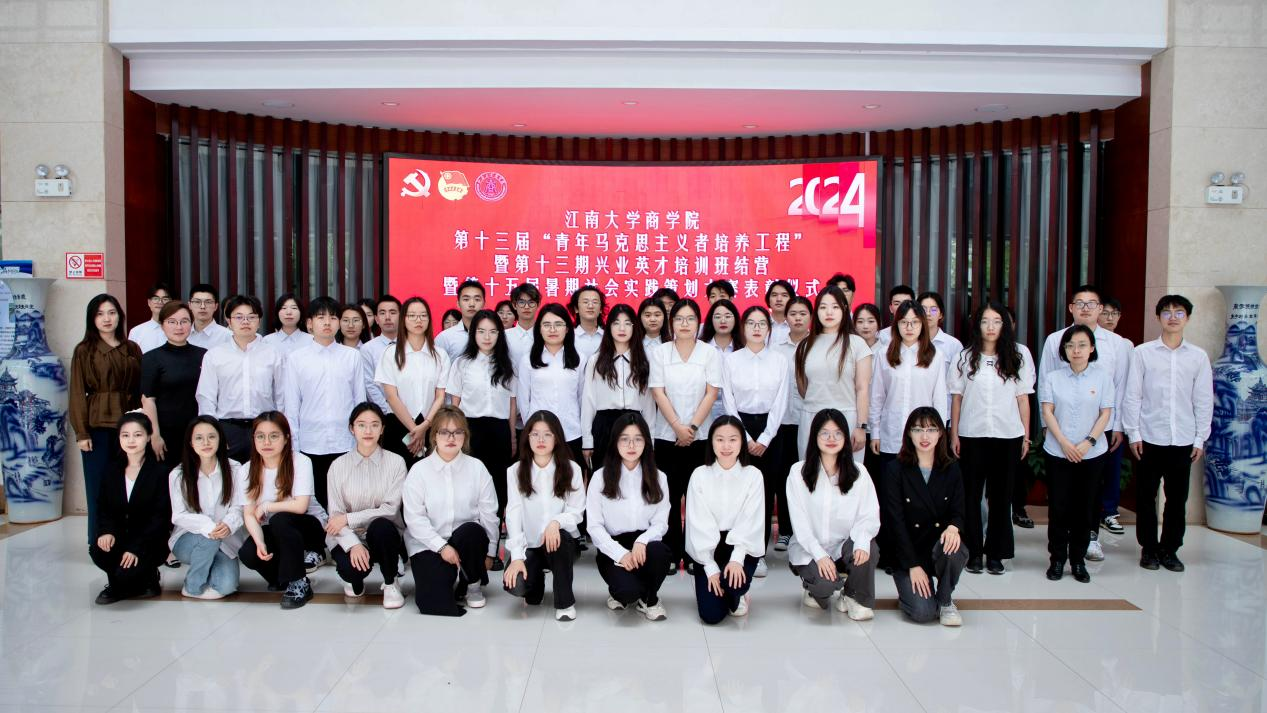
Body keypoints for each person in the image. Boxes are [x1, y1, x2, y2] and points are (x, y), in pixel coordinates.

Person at [1039, 285, 1131, 562]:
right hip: (1060, 431)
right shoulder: (1055, 340)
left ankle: (1090, 541)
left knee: (1091, 493)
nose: (1086, 308)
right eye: (1080, 303)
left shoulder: (1117, 344)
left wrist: (1117, 426)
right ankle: (1060, 550)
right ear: (1071, 308)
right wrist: (1048, 428)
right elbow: (1045, 381)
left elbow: (1121, 387)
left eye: (1092, 303)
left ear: (1100, 309)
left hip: (1100, 431)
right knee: (1061, 497)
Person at [1123, 295, 1213, 572]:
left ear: (1188, 317)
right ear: (1158, 317)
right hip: (1149, 437)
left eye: (1179, 312)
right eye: (1167, 312)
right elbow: (1132, 395)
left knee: (1177, 499)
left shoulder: (1198, 357)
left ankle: (1170, 549)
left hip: (1183, 439)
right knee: (1145, 497)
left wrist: (1200, 438)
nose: (1173, 317)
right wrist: (1133, 433)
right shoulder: (1143, 353)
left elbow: (1203, 400)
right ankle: (1149, 549)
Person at [949, 301, 1034, 575]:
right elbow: (957, 399)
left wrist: (1026, 436)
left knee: (1001, 497)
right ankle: (973, 552)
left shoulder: (1019, 355)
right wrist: (954, 434)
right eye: (985, 321)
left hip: (1007, 435)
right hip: (971, 434)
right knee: (971, 496)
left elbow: (1023, 399)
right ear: (977, 325)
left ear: (1005, 325)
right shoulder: (964, 357)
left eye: (997, 321)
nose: (990, 327)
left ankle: (996, 553)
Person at [402, 406, 499, 616]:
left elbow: (489, 514)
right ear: (434, 436)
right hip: (428, 543)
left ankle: (472, 582)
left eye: (458, 432)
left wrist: (490, 552)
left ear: (465, 436)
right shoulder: (419, 471)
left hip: (467, 543)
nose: (451, 438)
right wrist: (442, 547)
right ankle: (449, 577)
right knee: (431, 603)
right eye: (444, 432)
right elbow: (414, 519)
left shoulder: (477, 468)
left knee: (472, 531)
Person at [649, 298, 722, 572]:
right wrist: (677, 426)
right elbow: (658, 392)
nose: (684, 324)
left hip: (699, 437)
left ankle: (695, 555)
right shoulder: (660, 352)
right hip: (666, 435)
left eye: (690, 319)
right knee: (668, 497)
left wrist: (690, 428)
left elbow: (711, 393)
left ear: (698, 323)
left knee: (697, 498)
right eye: (679, 318)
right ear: (671, 323)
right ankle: (670, 552)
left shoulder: (709, 353)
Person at [787, 408, 880, 620]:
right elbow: (800, 525)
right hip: (809, 549)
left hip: (843, 547)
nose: (831, 439)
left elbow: (869, 515)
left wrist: (862, 542)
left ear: (845, 438)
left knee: (869, 547)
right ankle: (814, 587)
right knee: (824, 586)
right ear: (814, 436)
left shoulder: (859, 473)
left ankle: (854, 596)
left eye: (838, 433)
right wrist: (820, 556)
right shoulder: (798, 473)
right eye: (825, 433)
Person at [1040, 325, 1113, 584]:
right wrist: (1064, 443)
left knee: (1085, 507)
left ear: (1092, 348)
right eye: (1070, 345)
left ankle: (1078, 560)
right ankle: (1057, 559)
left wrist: (1088, 442)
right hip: (1058, 451)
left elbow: (1106, 412)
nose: (1076, 350)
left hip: (1091, 454)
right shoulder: (1053, 378)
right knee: (1059, 507)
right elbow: (1047, 411)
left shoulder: (1102, 378)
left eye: (1082, 345)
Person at [883, 408, 967, 626]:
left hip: (937, 549)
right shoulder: (895, 470)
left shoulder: (951, 469)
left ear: (940, 433)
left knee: (955, 548)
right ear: (909, 434)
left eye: (931, 429)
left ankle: (945, 600)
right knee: (923, 613)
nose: (924, 436)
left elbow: (959, 510)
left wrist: (953, 527)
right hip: (908, 554)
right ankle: (912, 596)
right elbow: (895, 523)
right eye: (918, 429)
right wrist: (912, 565)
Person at [721, 305, 789, 577]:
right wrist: (745, 438)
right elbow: (728, 400)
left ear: (769, 329)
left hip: (771, 431)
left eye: (762, 323)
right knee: (739, 492)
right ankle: (736, 549)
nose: (757, 328)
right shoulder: (731, 360)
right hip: (739, 429)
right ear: (743, 328)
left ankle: (758, 553)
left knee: (766, 491)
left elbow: (781, 401)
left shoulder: (779, 361)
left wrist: (765, 437)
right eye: (751, 323)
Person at [238, 411, 329, 609]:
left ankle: (298, 582)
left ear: (286, 438)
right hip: (277, 528)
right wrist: (259, 541)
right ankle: (285, 579)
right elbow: (249, 514)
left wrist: (266, 506)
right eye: (260, 436)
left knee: (280, 519)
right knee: (248, 553)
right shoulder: (246, 470)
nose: (266, 442)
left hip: (309, 527)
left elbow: (300, 506)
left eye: (274, 436)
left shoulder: (301, 462)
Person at [71, 293, 143, 543]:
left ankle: (127, 540)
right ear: (92, 319)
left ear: (119, 316)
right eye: (100, 314)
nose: (107, 318)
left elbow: (140, 389)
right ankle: (98, 540)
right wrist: (81, 433)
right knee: (98, 486)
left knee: (128, 485)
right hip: (97, 426)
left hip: (130, 428)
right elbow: (77, 393)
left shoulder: (131, 348)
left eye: (111, 313)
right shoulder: (84, 350)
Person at [447, 308, 518, 562]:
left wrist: (512, 436)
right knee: (470, 489)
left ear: (500, 334)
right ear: (472, 334)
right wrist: (456, 436)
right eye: (481, 331)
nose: (487, 337)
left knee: (498, 490)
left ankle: (493, 551)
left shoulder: (507, 365)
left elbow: (512, 405)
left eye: (493, 332)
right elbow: (455, 405)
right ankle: (470, 547)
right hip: (470, 430)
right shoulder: (462, 363)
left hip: (499, 431)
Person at [282, 297, 367, 509]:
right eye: (321, 318)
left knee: (347, 499)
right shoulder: (296, 358)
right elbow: (291, 407)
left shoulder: (352, 357)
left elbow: (360, 403)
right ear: (310, 323)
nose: (327, 322)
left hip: (345, 442)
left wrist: (361, 441)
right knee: (316, 501)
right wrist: (294, 447)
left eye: (333, 317)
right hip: (310, 443)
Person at [587, 413, 672, 620]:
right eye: (624, 439)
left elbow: (661, 523)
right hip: (613, 546)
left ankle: (650, 599)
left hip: (645, 545)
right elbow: (594, 526)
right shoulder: (600, 477)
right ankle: (631, 589)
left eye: (638, 439)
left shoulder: (659, 477)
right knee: (627, 593)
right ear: (615, 442)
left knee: (660, 552)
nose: (631, 445)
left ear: (646, 442)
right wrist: (620, 554)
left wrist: (643, 540)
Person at [325, 402, 409, 609]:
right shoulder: (337, 466)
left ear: (382, 429)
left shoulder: (396, 462)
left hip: (383, 532)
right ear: (352, 428)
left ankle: (390, 582)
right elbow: (336, 517)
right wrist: (353, 544)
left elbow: (390, 509)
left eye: (374, 425)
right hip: (349, 534)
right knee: (352, 571)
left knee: (381, 527)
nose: (368, 431)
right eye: (361, 425)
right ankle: (354, 580)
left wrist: (349, 518)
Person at [502, 411, 585, 620]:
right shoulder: (515, 471)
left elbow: (577, 512)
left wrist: (556, 522)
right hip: (530, 545)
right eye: (535, 434)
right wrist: (517, 558)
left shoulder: (571, 469)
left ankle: (565, 603)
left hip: (562, 544)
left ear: (556, 438)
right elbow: (513, 514)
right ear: (527, 437)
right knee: (516, 585)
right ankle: (535, 580)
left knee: (560, 539)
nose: (541, 440)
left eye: (547, 434)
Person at [686, 416, 765, 624]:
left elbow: (750, 522)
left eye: (733, 439)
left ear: (742, 442)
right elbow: (698, 524)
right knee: (711, 616)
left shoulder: (754, 475)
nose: (726, 446)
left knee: (734, 585)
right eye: (720, 439)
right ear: (711, 442)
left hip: (741, 546)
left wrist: (737, 559)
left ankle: (738, 593)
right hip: (708, 547)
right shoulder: (699, 475)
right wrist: (710, 567)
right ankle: (723, 590)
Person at [90, 412, 171, 604]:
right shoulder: (111, 470)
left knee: (132, 569)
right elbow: (103, 507)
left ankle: (148, 577)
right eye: (125, 435)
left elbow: (160, 516)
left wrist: (135, 548)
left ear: (149, 436)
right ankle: (117, 584)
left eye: (138, 434)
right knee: (99, 550)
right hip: (119, 535)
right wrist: (106, 531)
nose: (131, 440)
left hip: (149, 540)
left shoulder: (160, 472)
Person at [195, 295, 286, 462]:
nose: (245, 322)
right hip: (227, 429)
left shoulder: (273, 354)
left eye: (251, 317)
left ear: (259, 321)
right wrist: (213, 432)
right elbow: (206, 397)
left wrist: (280, 429)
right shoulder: (214, 355)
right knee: (229, 475)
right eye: (239, 317)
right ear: (228, 321)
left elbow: (282, 396)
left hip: (264, 428)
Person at [168, 416, 246, 599]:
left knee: (227, 586)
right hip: (188, 541)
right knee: (209, 539)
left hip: (225, 540)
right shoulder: (178, 474)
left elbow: (239, 507)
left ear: (220, 439)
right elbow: (178, 515)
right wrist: (209, 526)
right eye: (199, 438)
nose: (206, 443)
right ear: (191, 443)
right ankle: (192, 586)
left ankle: (208, 565)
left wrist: (228, 524)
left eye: (211, 436)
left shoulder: (235, 469)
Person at [794, 286, 872, 462]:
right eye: (823, 307)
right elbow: (803, 388)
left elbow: (862, 389)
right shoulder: (805, 345)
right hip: (811, 418)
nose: (829, 312)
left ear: (844, 309)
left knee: (847, 473)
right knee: (811, 472)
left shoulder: (857, 344)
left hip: (847, 419)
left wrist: (861, 426)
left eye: (835, 307)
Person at [870, 300, 948, 467]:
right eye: (904, 322)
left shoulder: (936, 356)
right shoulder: (884, 354)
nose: (909, 327)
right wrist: (875, 432)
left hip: (924, 437)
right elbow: (877, 397)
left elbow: (940, 399)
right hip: (891, 433)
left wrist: (938, 435)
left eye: (915, 322)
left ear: (922, 324)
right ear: (896, 324)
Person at [375, 297, 448, 467]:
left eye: (423, 315)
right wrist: (415, 429)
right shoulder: (390, 353)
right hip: (398, 423)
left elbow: (440, 396)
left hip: (431, 425)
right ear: (403, 319)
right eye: (412, 316)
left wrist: (424, 427)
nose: (418, 320)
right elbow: (391, 397)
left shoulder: (440, 355)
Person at [582, 303, 655, 472]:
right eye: (616, 323)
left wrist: (650, 439)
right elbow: (588, 400)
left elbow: (648, 403)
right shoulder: (596, 360)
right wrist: (587, 440)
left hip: (635, 425)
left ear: (634, 327)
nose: (622, 328)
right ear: (609, 327)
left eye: (627, 323)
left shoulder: (644, 361)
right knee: (604, 477)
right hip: (604, 425)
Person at [139, 301, 206, 474]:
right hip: (166, 434)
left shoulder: (205, 355)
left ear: (191, 324)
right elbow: (148, 400)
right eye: (172, 322)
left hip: (198, 432)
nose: (179, 327)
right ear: (162, 325)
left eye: (184, 321)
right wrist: (155, 435)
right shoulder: (151, 358)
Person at [517, 304, 588, 458]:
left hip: (571, 433)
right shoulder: (528, 360)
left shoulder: (579, 359)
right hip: (539, 436)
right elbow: (523, 400)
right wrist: (532, 429)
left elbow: (583, 398)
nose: (552, 329)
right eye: (547, 325)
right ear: (539, 329)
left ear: (567, 328)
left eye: (558, 324)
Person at [770, 295, 812, 552]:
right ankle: (785, 530)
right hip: (782, 421)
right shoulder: (776, 349)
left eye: (802, 313)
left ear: (811, 317)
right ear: (785, 318)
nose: (797, 318)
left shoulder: (818, 346)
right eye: (793, 314)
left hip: (810, 419)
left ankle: (806, 531)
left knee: (808, 475)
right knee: (783, 476)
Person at [1094, 296, 1131, 537]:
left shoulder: (1123, 345)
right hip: (1082, 417)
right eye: (1105, 313)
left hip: (1110, 419)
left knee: (1111, 466)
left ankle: (1108, 511)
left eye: (1114, 313)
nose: (1109, 318)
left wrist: (1118, 424)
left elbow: (1124, 386)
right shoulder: (1079, 340)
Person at [917, 291, 964, 414]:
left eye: (933, 310)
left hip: (944, 411)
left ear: (941, 314)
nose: (928, 314)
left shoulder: (953, 345)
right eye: (923, 309)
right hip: (914, 409)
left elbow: (958, 385)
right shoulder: (910, 343)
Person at [701, 298, 742, 425]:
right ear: (711, 320)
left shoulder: (744, 349)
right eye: (717, 317)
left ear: (735, 319)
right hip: (705, 412)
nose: (723, 321)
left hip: (737, 411)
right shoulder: (701, 348)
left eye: (728, 316)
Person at [361, 295, 401, 420]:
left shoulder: (411, 346)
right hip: (383, 414)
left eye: (392, 312)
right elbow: (369, 384)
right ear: (377, 319)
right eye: (382, 313)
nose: (387, 317)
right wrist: (388, 410)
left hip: (412, 412)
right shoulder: (367, 349)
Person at [435, 280, 486, 360]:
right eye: (466, 299)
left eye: (477, 299)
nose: (472, 304)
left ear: (484, 304)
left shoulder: (492, 335)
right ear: (458, 304)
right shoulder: (445, 337)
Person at [128, 281, 174, 353]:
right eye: (156, 298)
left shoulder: (179, 329)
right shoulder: (136, 332)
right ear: (149, 302)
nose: (160, 302)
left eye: (165, 299)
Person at [186, 283, 233, 350]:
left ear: (216, 306)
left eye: (208, 302)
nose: (202, 306)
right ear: (190, 305)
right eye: (197, 302)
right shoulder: (183, 333)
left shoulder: (227, 336)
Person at [569, 285, 606, 358]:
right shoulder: (569, 336)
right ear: (576, 309)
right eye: (585, 302)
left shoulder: (608, 336)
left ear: (601, 309)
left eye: (595, 302)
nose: (590, 306)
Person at [507, 283, 541, 362]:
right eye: (522, 302)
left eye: (531, 302)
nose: (526, 307)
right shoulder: (505, 336)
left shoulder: (544, 335)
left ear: (538, 304)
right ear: (514, 305)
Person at [765, 279, 795, 346]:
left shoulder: (797, 326)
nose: (779, 299)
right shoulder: (760, 325)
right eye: (774, 295)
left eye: (784, 295)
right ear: (768, 299)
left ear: (791, 300)